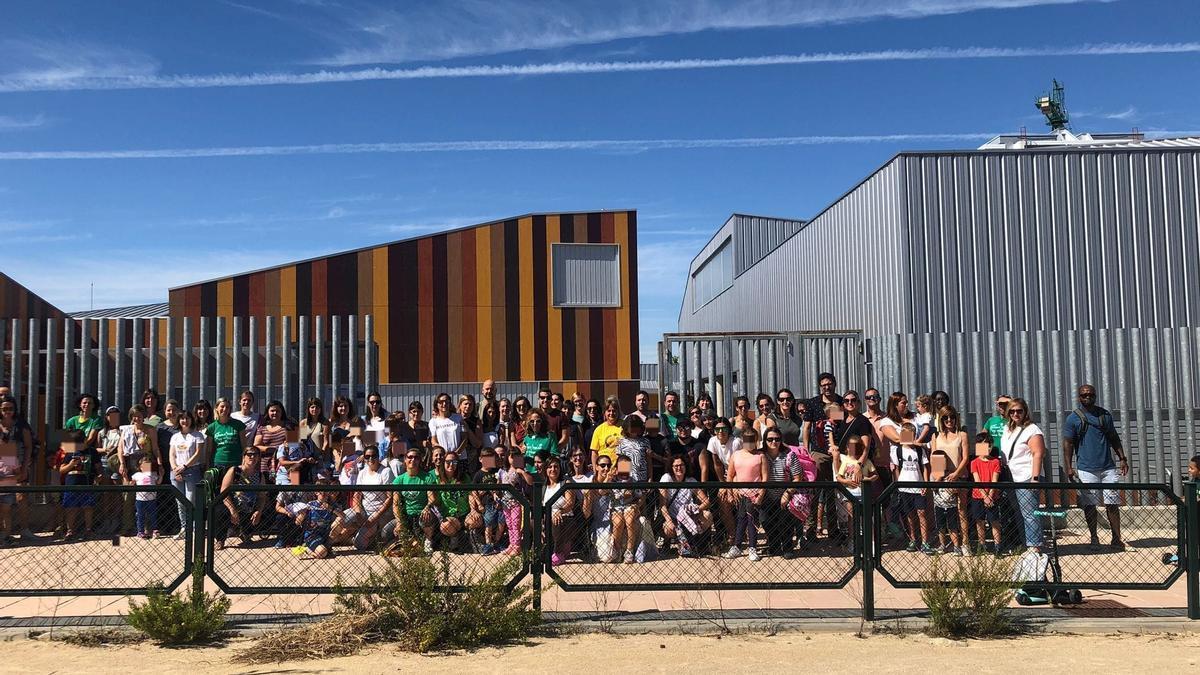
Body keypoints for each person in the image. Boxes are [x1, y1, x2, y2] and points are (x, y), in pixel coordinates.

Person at [1062, 384, 1130, 551]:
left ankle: (1116, 537)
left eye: (1091, 395)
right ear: (1079, 397)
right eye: (1084, 395)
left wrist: (1122, 458)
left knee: (1112, 503)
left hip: (1108, 467)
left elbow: (1113, 437)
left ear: (1095, 396)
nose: (1088, 398)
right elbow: (1068, 444)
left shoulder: (1104, 415)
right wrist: (1068, 467)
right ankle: (1094, 537)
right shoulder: (1073, 419)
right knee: (1090, 505)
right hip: (1086, 468)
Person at [1000, 397, 1045, 553]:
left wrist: (1035, 478)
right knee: (1018, 513)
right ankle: (1025, 543)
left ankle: (1035, 545)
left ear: (1025, 411)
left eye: (1019, 410)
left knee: (1029, 513)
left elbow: (1037, 453)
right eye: (1012, 411)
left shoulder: (1032, 430)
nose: (1015, 414)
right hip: (1011, 475)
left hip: (1025, 475)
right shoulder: (1008, 428)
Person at [929, 406, 970, 554]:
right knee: (941, 511)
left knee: (961, 510)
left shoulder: (962, 435)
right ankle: (944, 543)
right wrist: (939, 476)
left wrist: (956, 473)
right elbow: (934, 456)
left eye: (951, 417)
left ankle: (965, 543)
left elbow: (965, 457)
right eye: (945, 418)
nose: (949, 420)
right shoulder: (936, 436)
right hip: (941, 478)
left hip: (959, 477)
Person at [723, 428, 767, 561]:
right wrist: (730, 493)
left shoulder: (761, 456)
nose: (749, 443)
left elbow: (764, 477)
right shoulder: (736, 455)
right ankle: (738, 546)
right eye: (746, 440)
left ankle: (751, 547)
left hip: (754, 494)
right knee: (741, 519)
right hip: (740, 494)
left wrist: (761, 495)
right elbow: (730, 476)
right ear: (742, 440)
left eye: (752, 440)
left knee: (750, 520)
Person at [658, 455, 713, 558]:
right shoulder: (667, 478)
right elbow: (662, 505)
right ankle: (667, 545)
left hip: (689, 517)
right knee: (667, 528)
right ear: (671, 467)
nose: (679, 468)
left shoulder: (691, 481)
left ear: (686, 466)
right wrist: (669, 520)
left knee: (708, 515)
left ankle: (696, 543)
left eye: (682, 465)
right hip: (674, 517)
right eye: (676, 466)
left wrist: (696, 509)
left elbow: (706, 502)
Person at [892, 422, 933, 555]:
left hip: (918, 486)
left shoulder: (919, 450)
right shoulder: (897, 450)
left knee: (922, 514)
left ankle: (925, 541)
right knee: (909, 515)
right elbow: (896, 468)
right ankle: (913, 539)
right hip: (904, 487)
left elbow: (925, 467)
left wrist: (925, 484)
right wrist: (898, 484)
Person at [216, 447, 268, 550]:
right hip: (231, 504)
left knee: (263, 515)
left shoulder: (260, 476)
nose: (252, 457)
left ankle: (245, 533)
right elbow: (223, 492)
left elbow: (262, 496)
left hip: (249, 506)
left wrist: (259, 511)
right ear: (244, 457)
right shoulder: (234, 471)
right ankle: (220, 539)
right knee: (220, 512)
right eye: (249, 454)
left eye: (255, 455)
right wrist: (232, 510)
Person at [0, 396, 36, 542]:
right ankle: (4, 533)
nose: (8, 411)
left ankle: (24, 529)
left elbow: (29, 446)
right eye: (4, 409)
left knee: (21, 497)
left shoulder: (21, 424)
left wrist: (25, 467)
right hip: (1, 468)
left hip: (18, 465)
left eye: (11, 408)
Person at [391, 448, 438, 554]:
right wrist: (399, 521)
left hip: (422, 513)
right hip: (406, 515)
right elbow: (395, 504)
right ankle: (412, 544)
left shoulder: (427, 477)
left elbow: (432, 498)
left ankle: (428, 540)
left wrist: (427, 508)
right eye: (410, 457)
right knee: (387, 532)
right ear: (405, 460)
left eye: (416, 457)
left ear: (420, 460)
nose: (413, 460)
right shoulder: (399, 480)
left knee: (427, 517)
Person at [834, 436, 876, 550]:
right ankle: (853, 541)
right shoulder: (846, 461)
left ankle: (871, 543)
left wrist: (867, 479)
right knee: (852, 517)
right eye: (851, 446)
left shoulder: (866, 461)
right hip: (849, 493)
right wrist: (846, 481)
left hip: (864, 493)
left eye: (857, 446)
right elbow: (839, 477)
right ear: (847, 447)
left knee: (868, 518)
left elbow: (875, 475)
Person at [168, 410, 205, 540]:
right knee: (180, 502)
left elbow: (198, 454)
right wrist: (175, 469)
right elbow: (172, 455)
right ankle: (184, 528)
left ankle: (194, 529)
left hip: (192, 471)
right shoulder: (175, 437)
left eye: (187, 418)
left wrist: (184, 467)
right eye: (182, 418)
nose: (185, 421)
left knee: (191, 501)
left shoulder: (197, 435)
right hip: (176, 472)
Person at [56, 431, 100, 539]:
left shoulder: (92, 452)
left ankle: (88, 530)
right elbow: (61, 470)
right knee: (71, 508)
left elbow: (98, 466)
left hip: (87, 483)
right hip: (72, 483)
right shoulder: (70, 453)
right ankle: (70, 530)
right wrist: (71, 465)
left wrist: (99, 475)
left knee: (88, 507)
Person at [351, 444, 394, 550]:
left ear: (378, 456)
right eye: (367, 456)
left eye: (373, 456)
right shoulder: (362, 473)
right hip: (364, 510)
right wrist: (358, 512)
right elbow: (357, 495)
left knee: (359, 544)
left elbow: (390, 497)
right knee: (343, 519)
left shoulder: (385, 472)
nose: (370, 459)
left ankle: (374, 538)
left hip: (380, 512)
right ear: (364, 458)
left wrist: (376, 516)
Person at [429, 449, 471, 552]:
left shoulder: (464, 477)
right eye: (448, 462)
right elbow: (434, 499)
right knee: (446, 526)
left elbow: (471, 494)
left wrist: (474, 510)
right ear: (443, 463)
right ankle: (455, 539)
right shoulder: (438, 480)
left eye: (454, 462)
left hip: (463, 513)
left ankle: (476, 546)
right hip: (447, 515)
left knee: (475, 521)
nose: (451, 464)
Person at [970, 433, 1004, 556]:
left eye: (989, 445)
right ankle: (982, 544)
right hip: (978, 496)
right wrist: (985, 496)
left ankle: (998, 545)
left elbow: (995, 479)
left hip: (992, 495)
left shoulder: (995, 461)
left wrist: (990, 495)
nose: (987, 448)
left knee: (994, 521)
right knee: (979, 521)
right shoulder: (974, 462)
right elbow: (977, 480)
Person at [542, 454, 578, 566]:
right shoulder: (544, 487)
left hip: (565, 518)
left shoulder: (565, 484)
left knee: (556, 519)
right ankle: (545, 549)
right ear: (546, 469)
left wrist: (559, 511)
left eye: (556, 467)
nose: (553, 469)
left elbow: (570, 503)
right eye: (550, 467)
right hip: (548, 519)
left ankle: (558, 553)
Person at [207, 397, 248, 473]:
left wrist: (244, 463)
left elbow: (244, 447)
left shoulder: (238, 424)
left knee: (235, 485)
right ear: (216, 408)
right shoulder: (211, 427)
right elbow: (209, 450)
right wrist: (207, 466)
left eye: (227, 407)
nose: (225, 409)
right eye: (222, 406)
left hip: (235, 463)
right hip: (218, 463)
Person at [253, 401, 290, 484]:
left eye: (278, 411)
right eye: (272, 411)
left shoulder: (289, 426)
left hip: (283, 466)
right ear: (268, 412)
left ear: (282, 413)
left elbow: (294, 446)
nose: (275, 413)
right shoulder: (262, 428)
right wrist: (271, 449)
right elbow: (256, 446)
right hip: (264, 466)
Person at [588, 399, 624, 469]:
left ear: (618, 412)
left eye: (614, 410)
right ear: (604, 412)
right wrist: (596, 472)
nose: (611, 413)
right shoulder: (599, 429)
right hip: (604, 469)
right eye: (609, 411)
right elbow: (594, 453)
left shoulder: (625, 426)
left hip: (622, 468)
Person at [131, 457, 161, 539]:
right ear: (140, 467)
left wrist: (161, 475)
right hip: (140, 499)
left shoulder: (154, 474)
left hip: (152, 499)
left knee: (153, 515)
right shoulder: (137, 475)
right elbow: (131, 484)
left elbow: (158, 482)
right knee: (140, 516)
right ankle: (140, 531)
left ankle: (154, 530)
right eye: (144, 465)